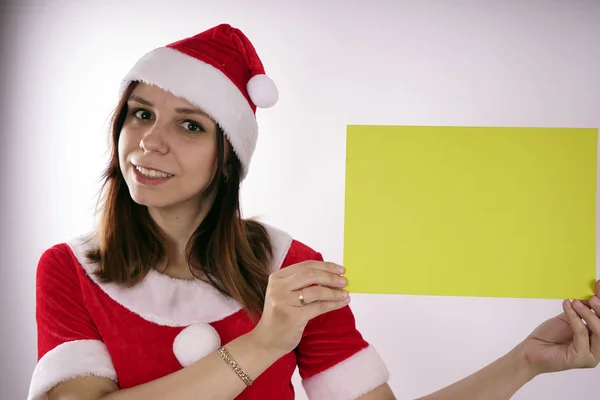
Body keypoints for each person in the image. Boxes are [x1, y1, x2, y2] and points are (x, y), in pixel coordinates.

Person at [27, 23, 599, 400]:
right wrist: (263, 343)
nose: (150, 141)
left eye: (190, 125)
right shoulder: (70, 269)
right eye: (141, 113)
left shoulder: (291, 269)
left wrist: (527, 361)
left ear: (229, 157)